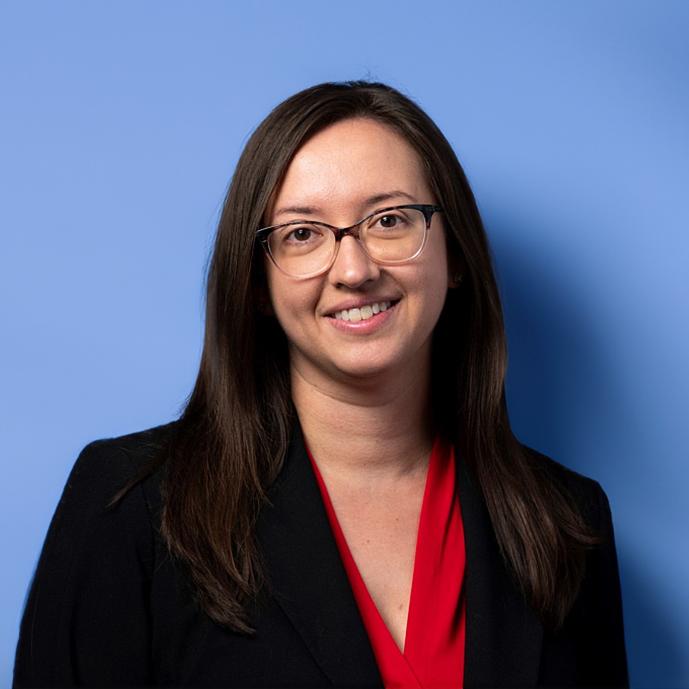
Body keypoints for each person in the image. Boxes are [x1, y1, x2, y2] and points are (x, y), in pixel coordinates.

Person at [14, 80, 629, 689]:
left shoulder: (565, 522)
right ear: (257, 284)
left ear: (457, 254)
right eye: (302, 234)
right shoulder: (131, 505)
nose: (355, 269)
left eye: (389, 220)